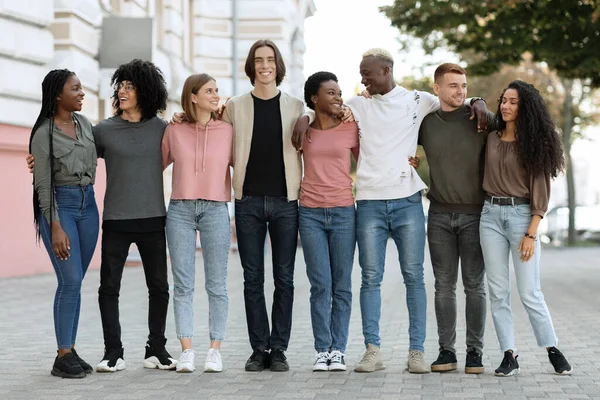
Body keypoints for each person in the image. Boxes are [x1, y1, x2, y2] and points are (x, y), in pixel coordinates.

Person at [293, 48, 489, 374]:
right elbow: (321, 112)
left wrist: (477, 100)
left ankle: (416, 352)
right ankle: (373, 350)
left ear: (386, 70)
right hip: (368, 203)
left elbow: (454, 98)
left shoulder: (418, 99)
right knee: (370, 279)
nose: (362, 79)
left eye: (367, 73)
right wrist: (303, 117)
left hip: (408, 202)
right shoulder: (356, 104)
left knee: (414, 278)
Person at [27, 60, 176, 372]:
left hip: (131, 215)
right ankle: (99, 352)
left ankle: (153, 348)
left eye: (129, 85)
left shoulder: (160, 129)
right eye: (120, 85)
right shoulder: (100, 130)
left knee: (155, 286)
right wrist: (37, 161)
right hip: (106, 217)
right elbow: (57, 164)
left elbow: (185, 151)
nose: (121, 90)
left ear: (145, 91)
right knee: (97, 285)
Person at [480, 80, 572, 376]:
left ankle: (551, 347)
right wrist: (475, 101)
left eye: (513, 102)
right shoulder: (491, 137)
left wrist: (532, 233)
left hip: (522, 218)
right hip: (489, 216)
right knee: (498, 292)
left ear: (526, 107)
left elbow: (540, 191)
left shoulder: (535, 144)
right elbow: (472, 103)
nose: (505, 106)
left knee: (529, 291)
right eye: (503, 100)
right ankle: (509, 354)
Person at [419, 63, 493, 374]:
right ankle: (446, 352)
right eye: (452, 85)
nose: (459, 90)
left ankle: (474, 353)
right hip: (437, 216)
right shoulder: (425, 123)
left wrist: (479, 100)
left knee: (475, 286)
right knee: (442, 287)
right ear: (436, 89)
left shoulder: (481, 119)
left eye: (463, 85)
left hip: (476, 216)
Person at [29, 69, 99, 379]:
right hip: (62, 206)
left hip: (89, 204)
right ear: (59, 95)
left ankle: (69, 348)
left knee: (75, 282)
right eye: (76, 88)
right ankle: (63, 355)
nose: (82, 93)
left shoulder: (84, 124)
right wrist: (55, 224)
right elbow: (43, 185)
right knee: (69, 281)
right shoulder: (44, 133)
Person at [162, 73, 232, 373]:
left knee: (217, 285)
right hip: (180, 209)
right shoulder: (174, 130)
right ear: (192, 96)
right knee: (183, 285)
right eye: (209, 91)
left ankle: (215, 350)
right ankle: (187, 350)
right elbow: (152, 163)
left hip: (216, 208)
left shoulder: (228, 130)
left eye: (216, 90)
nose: (215, 95)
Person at [299, 71, 359, 372]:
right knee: (320, 284)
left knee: (342, 285)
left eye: (339, 92)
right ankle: (322, 349)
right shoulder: (303, 130)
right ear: (314, 98)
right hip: (309, 212)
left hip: (344, 212)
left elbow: (369, 161)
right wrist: (301, 120)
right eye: (331, 93)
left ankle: (339, 349)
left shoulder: (351, 127)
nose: (338, 97)